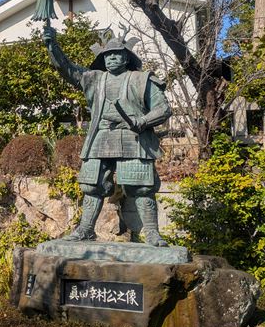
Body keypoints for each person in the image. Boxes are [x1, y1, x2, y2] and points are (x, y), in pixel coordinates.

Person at [43, 25, 172, 246]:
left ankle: (152, 232)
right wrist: (52, 45)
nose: (111, 58)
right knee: (92, 185)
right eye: (107, 55)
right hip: (101, 136)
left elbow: (163, 109)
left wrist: (142, 121)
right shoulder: (94, 79)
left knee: (141, 187)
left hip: (133, 137)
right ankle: (85, 229)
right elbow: (67, 69)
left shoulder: (142, 79)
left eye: (116, 54)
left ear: (126, 57)